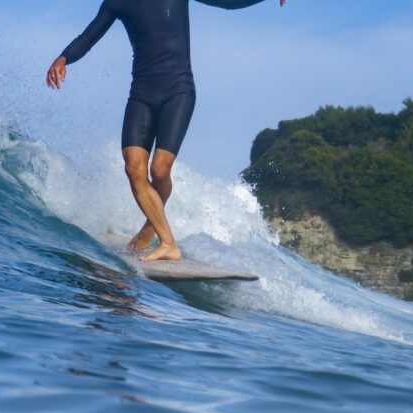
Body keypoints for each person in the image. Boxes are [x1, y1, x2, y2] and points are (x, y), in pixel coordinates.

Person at [47, 0, 286, 261]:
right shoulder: (116, 1)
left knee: (159, 169)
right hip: (141, 93)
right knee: (133, 168)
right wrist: (64, 58)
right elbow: (89, 37)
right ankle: (167, 240)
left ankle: (154, 229)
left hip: (178, 91)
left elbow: (227, 2)